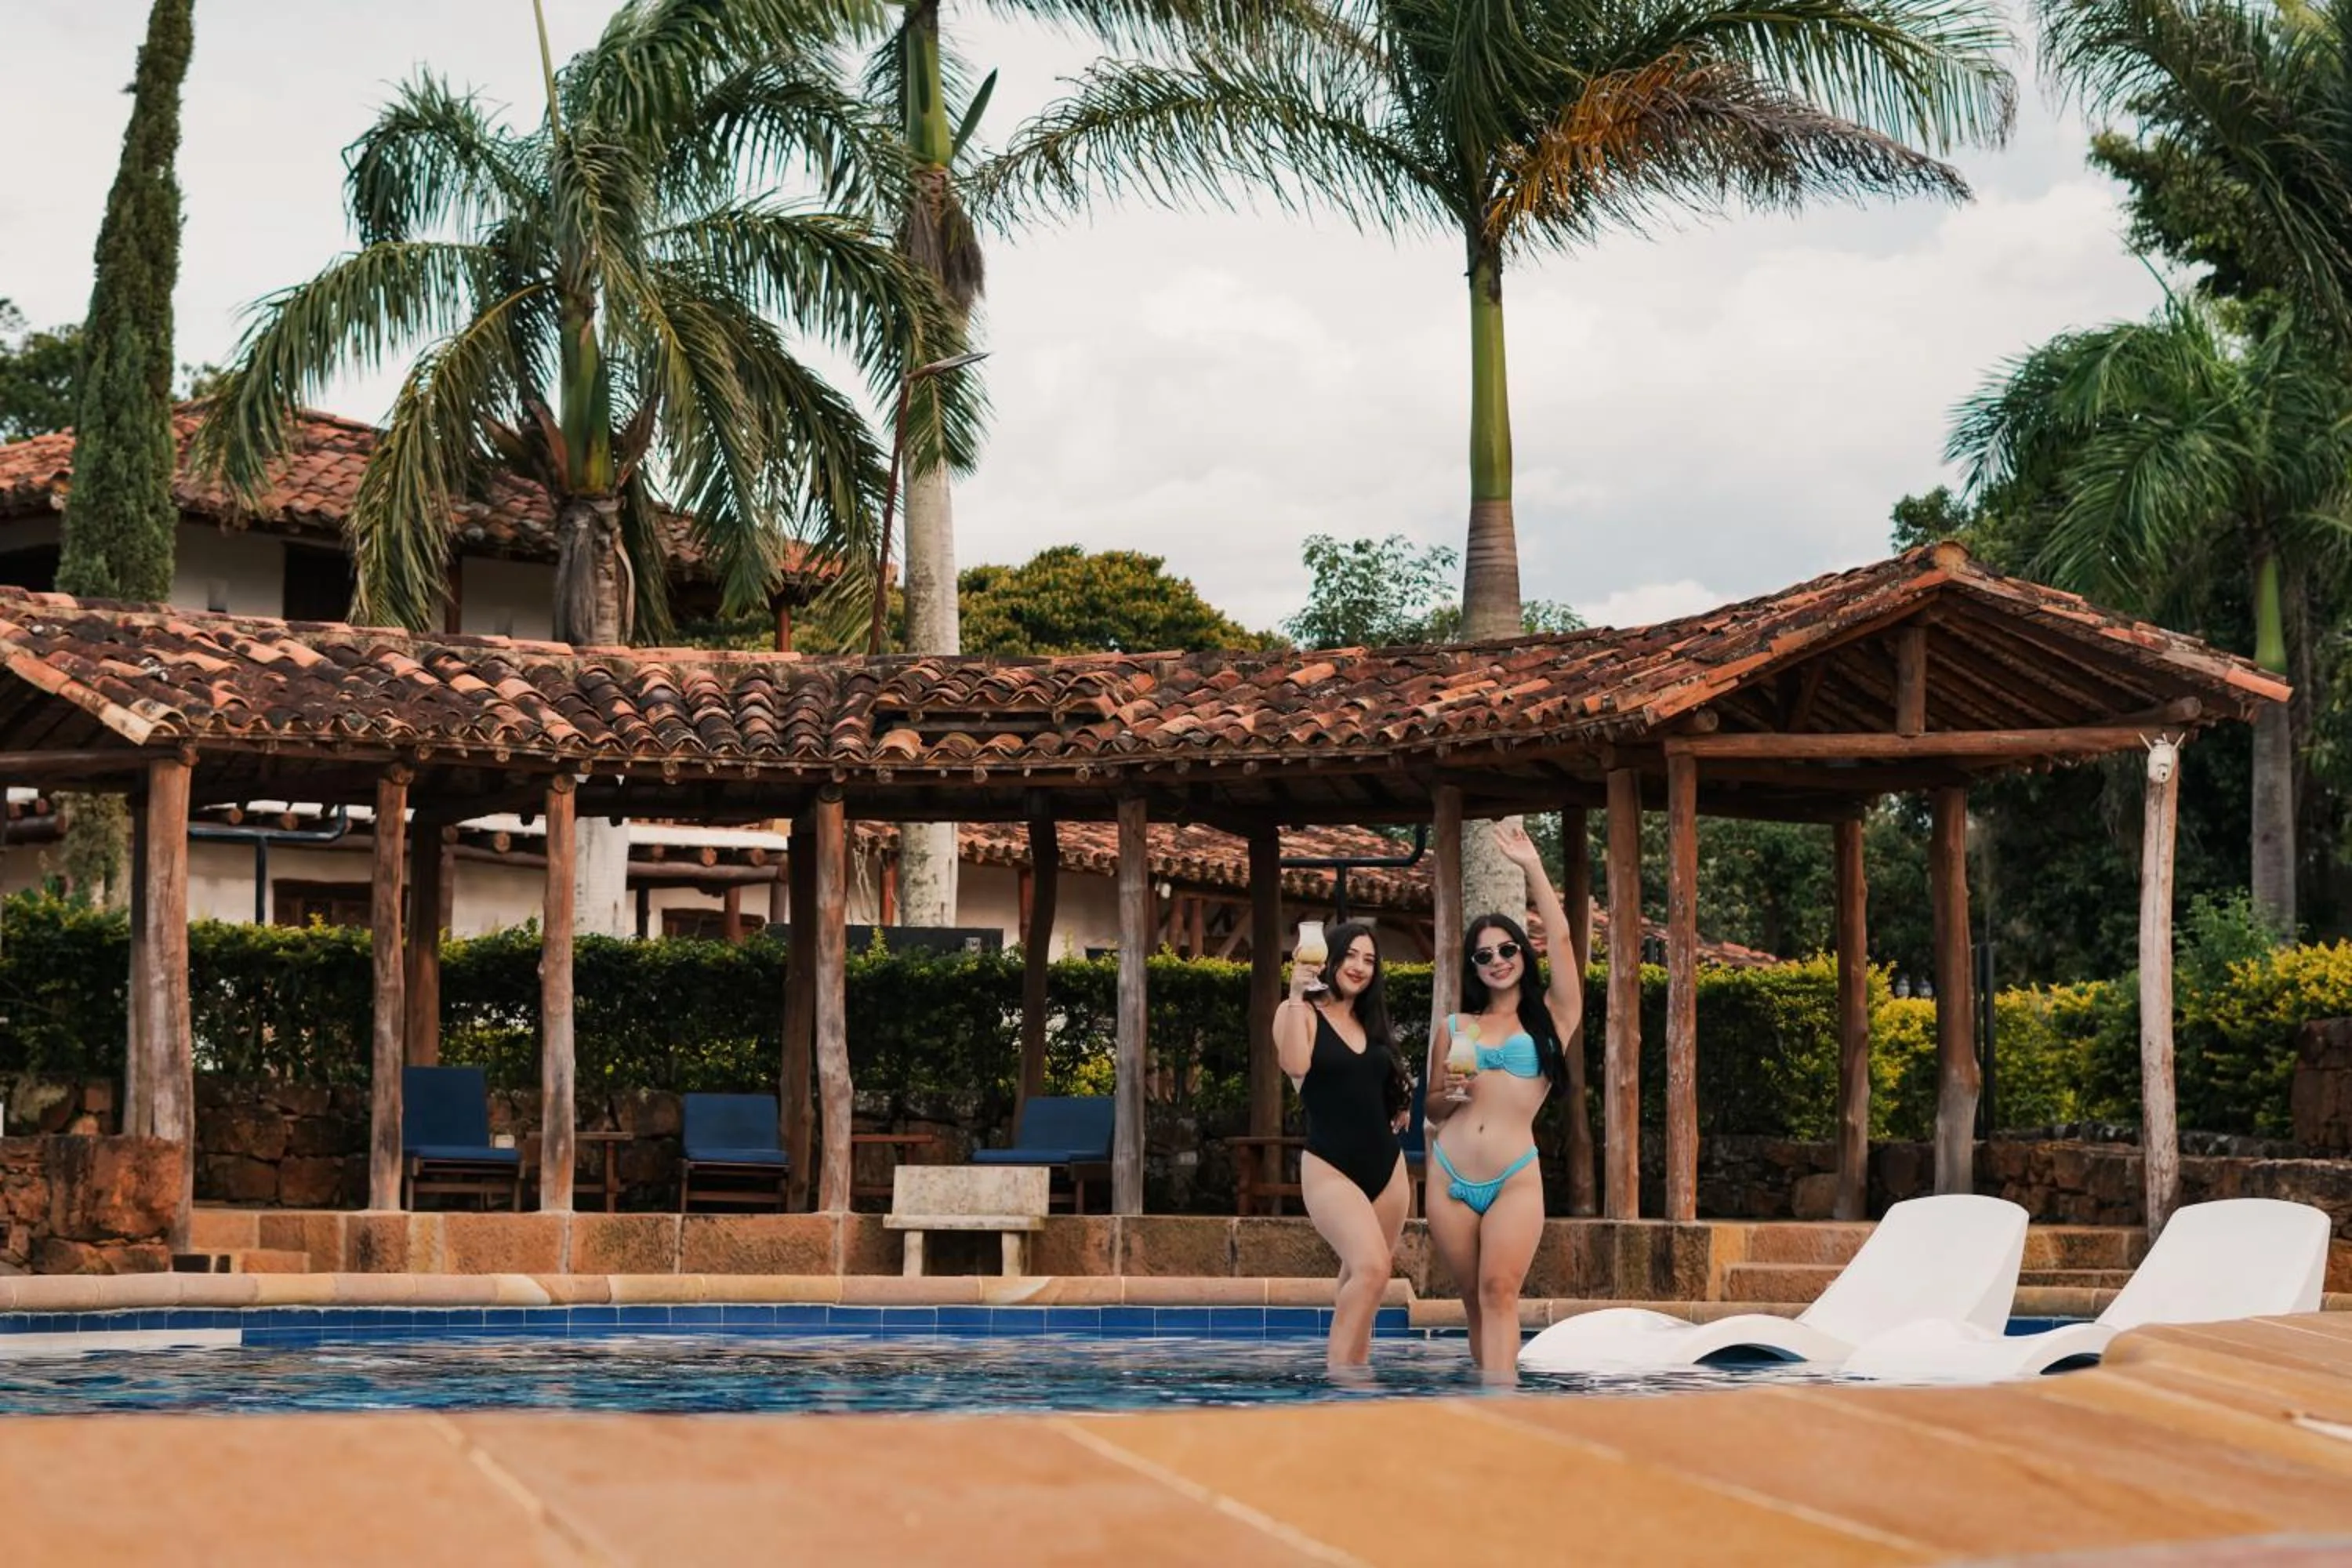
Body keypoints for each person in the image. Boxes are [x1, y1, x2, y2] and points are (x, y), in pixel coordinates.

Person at [1423, 822, 1581, 1380]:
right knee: (1473, 1298)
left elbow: (1562, 941)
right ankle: (1486, 1399)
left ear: (1522, 954)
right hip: (1450, 1176)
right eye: (1484, 954)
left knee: (1499, 1291)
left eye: (1507, 949)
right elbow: (1432, 1110)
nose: (1497, 959)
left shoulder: (1551, 1019)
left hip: (1514, 1175)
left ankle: (1503, 1398)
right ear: (1474, 967)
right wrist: (1451, 1094)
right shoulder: (1456, 1024)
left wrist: (1532, 867)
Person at [1273, 918, 1410, 1374]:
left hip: (1387, 1170)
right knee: (1372, 1270)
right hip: (1330, 1165)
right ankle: (1341, 1379)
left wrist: (1400, 1101)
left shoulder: (1372, 1023)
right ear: (1329, 957)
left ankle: (1358, 1366)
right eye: (1350, 955)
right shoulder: (1299, 1013)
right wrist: (1295, 993)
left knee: (1360, 1278)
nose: (1359, 966)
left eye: (1369, 960)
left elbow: (1378, 1085)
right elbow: (1294, 1065)